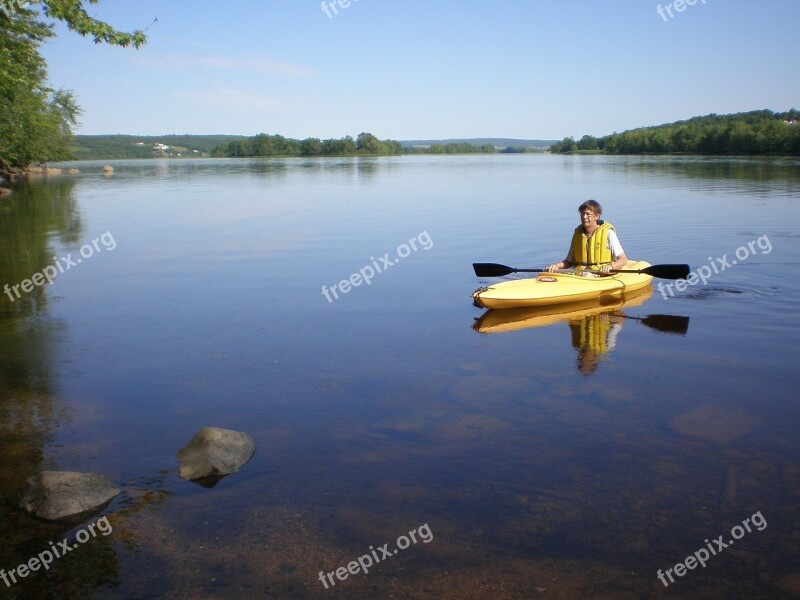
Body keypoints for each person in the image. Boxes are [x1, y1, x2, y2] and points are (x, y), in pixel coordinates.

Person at [546, 199, 628, 275]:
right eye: (582, 214)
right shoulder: (578, 233)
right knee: (551, 273)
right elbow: (569, 262)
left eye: (588, 214)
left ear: (597, 216)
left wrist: (610, 266)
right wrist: (556, 266)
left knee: (587, 275)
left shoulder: (608, 233)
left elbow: (623, 259)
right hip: (580, 273)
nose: (584, 217)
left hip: (600, 274)